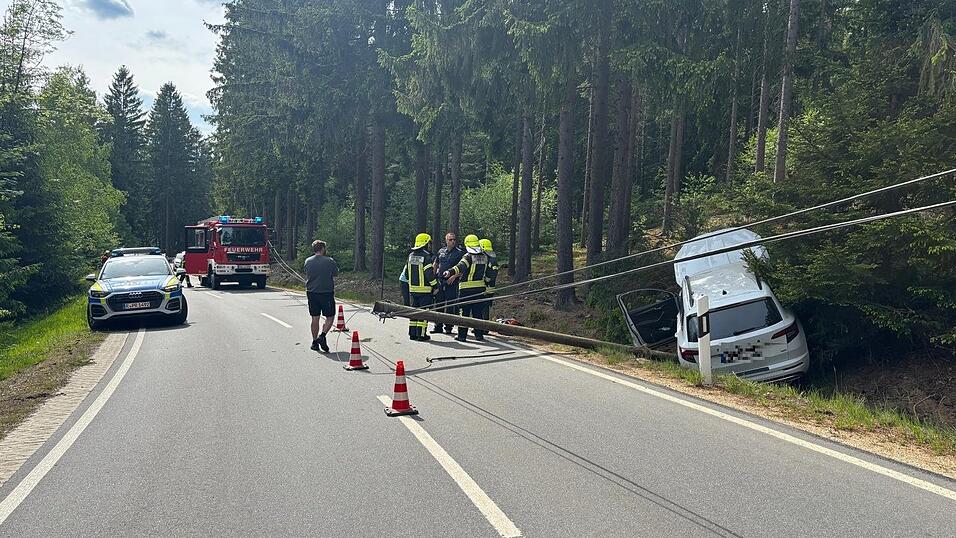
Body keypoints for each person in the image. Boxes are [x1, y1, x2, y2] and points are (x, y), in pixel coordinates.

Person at [442, 234, 489, 342]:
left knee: (464, 313)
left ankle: (462, 336)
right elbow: (489, 274)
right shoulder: (485, 256)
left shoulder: (468, 256)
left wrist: (449, 272)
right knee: (478, 313)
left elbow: (460, 267)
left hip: (466, 290)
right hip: (480, 289)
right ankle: (479, 335)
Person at [303, 240, 339, 352]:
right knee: (330, 316)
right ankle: (322, 336)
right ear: (322, 249)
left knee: (315, 317)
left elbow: (306, 272)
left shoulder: (308, 261)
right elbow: (335, 273)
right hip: (326, 292)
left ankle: (314, 342)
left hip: (311, 292)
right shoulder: (329, 261)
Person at [406, 232, 438, 341]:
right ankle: (422, 334)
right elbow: (429, 274)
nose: (429, 245)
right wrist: (435, 286)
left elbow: (406, 274)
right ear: (425, 243)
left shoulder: (410, 256)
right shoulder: (426, 257)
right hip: (425, 291)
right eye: (429, 243)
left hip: (413, 290)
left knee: (414, 311)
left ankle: (412, 333)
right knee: (424, 312)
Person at [432, 232, 465, 334]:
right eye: (450, 240)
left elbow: (463, 269)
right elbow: (436, 264)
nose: (453, 241)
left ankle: (449, 327)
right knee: (439, 304)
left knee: (451, 305)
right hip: (440, 281)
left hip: (452, 282)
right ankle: (438, 326)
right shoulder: (441, 251)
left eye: (454, 239)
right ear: (446, 240)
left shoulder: (459, 253)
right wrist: (434, 278)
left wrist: (454, 276)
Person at [476, 238, 499, 335]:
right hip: (489, 287)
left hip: (486, 287)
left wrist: (486, 279)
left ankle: (484, 328)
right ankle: (481, 327)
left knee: (484, 308)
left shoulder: (490, 259)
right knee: (483, 307)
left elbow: (493, 273)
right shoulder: (491, 257)